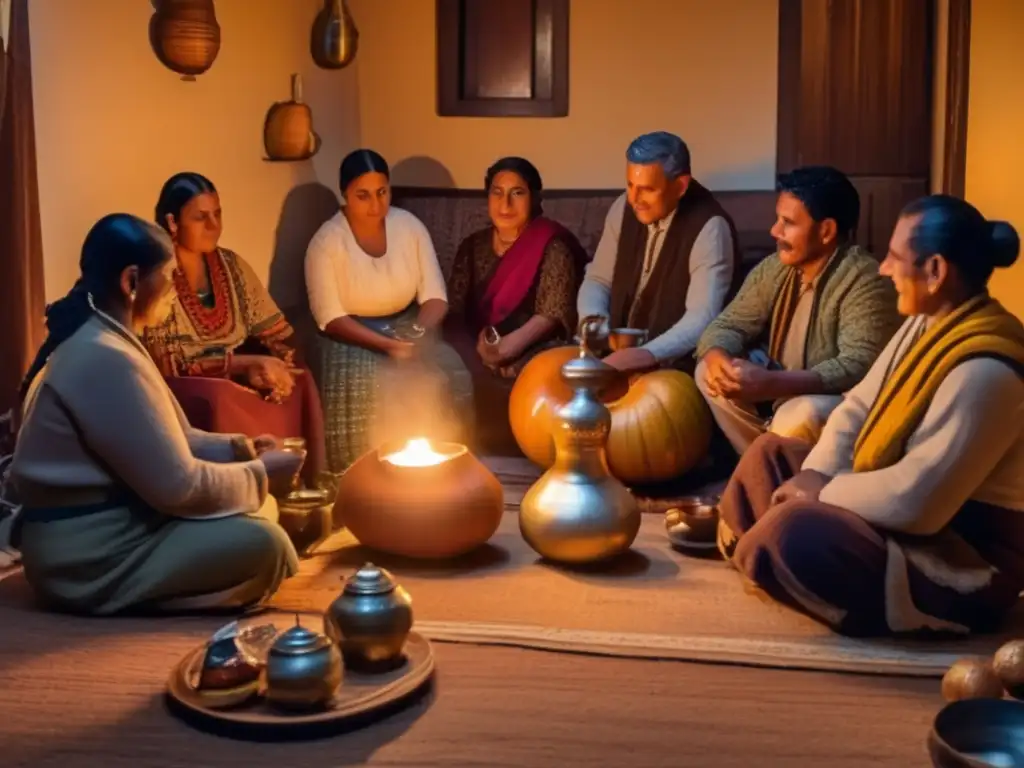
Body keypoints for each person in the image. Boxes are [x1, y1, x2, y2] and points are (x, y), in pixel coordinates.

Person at [717, 195, 1024, 637]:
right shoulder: (927, 323)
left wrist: (821, 493)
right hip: (895, 505)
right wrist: (816, 473)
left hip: (959, 553)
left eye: (896, 258)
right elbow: (858, 406)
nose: (884, 268)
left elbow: (916, 502)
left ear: (935, 271)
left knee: (794, 530)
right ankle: (769, 552)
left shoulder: (986, 370)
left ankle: (772, 549)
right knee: (770, 455)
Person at [8, 213, 301, 616]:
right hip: (87, 557)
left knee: (258, 511)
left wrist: (243, 450)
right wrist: (262, 474)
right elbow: (179, 487)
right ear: (131, 282)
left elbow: (174, 439)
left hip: (117, 528)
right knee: (264, 544)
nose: (175, 293)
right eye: (168, 277)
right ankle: (139, 599)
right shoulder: (102, 355)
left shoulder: (109, 337)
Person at [695, 166, 901, 455]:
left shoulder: (865, 279)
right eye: (778, 219)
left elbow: (857, 364)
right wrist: (718, 357)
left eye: (788, 222)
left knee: (800, 414)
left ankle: (780, 472)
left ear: (826, 230)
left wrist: (772, 384)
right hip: (778, 393)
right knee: (708, 372)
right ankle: (763, 467)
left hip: (837, 402)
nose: (775, 231)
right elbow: (728, 324)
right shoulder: (776, 267)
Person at [142, 172, 326, 487]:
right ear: (172, 222)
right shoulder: (157, 274)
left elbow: (279, 332)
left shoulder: (231, 266)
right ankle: (232, 489)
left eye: (218, 214)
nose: (214, 225)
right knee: (220, 396)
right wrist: (242, 365)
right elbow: (166, 363)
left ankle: (298, 487)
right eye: (201, 217)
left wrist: (280, 364)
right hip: (188, 386)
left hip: (241, 375)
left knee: (302, 378)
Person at [305, 149, 473, 471]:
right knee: (370, 380)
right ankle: (360, 472)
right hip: (349, 334)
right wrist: (388, 346)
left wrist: (418, 333)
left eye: (382, 192)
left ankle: (448, 464)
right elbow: (329, 317)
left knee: (448, 369)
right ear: (345, 195)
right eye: (363, 196)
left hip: (407, 323)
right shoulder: (327, 242)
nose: (375, 205)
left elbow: (436, 297)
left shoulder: (408, 227)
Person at [445, 157, 588, 450]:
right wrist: (479, 352)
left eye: (517, 193)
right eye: (497, 193)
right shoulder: (472, 246)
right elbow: (455, 311)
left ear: (535, 198)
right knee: (443, 363)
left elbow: (551, 315)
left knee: (543, 366)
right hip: (477, 345)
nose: (505, 204)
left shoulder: (552, 244)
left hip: (533, 346)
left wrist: (507, 349)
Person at [576, 131, 740, 373]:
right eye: (630, 185)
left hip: (677, 366)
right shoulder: (623, 207)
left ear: (680, 186)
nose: (634, 199)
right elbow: (598, 279)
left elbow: (702, 318)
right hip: (615, 357)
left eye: (647, 189)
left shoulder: (710, 228)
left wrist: (645, 355)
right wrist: (595, 326)